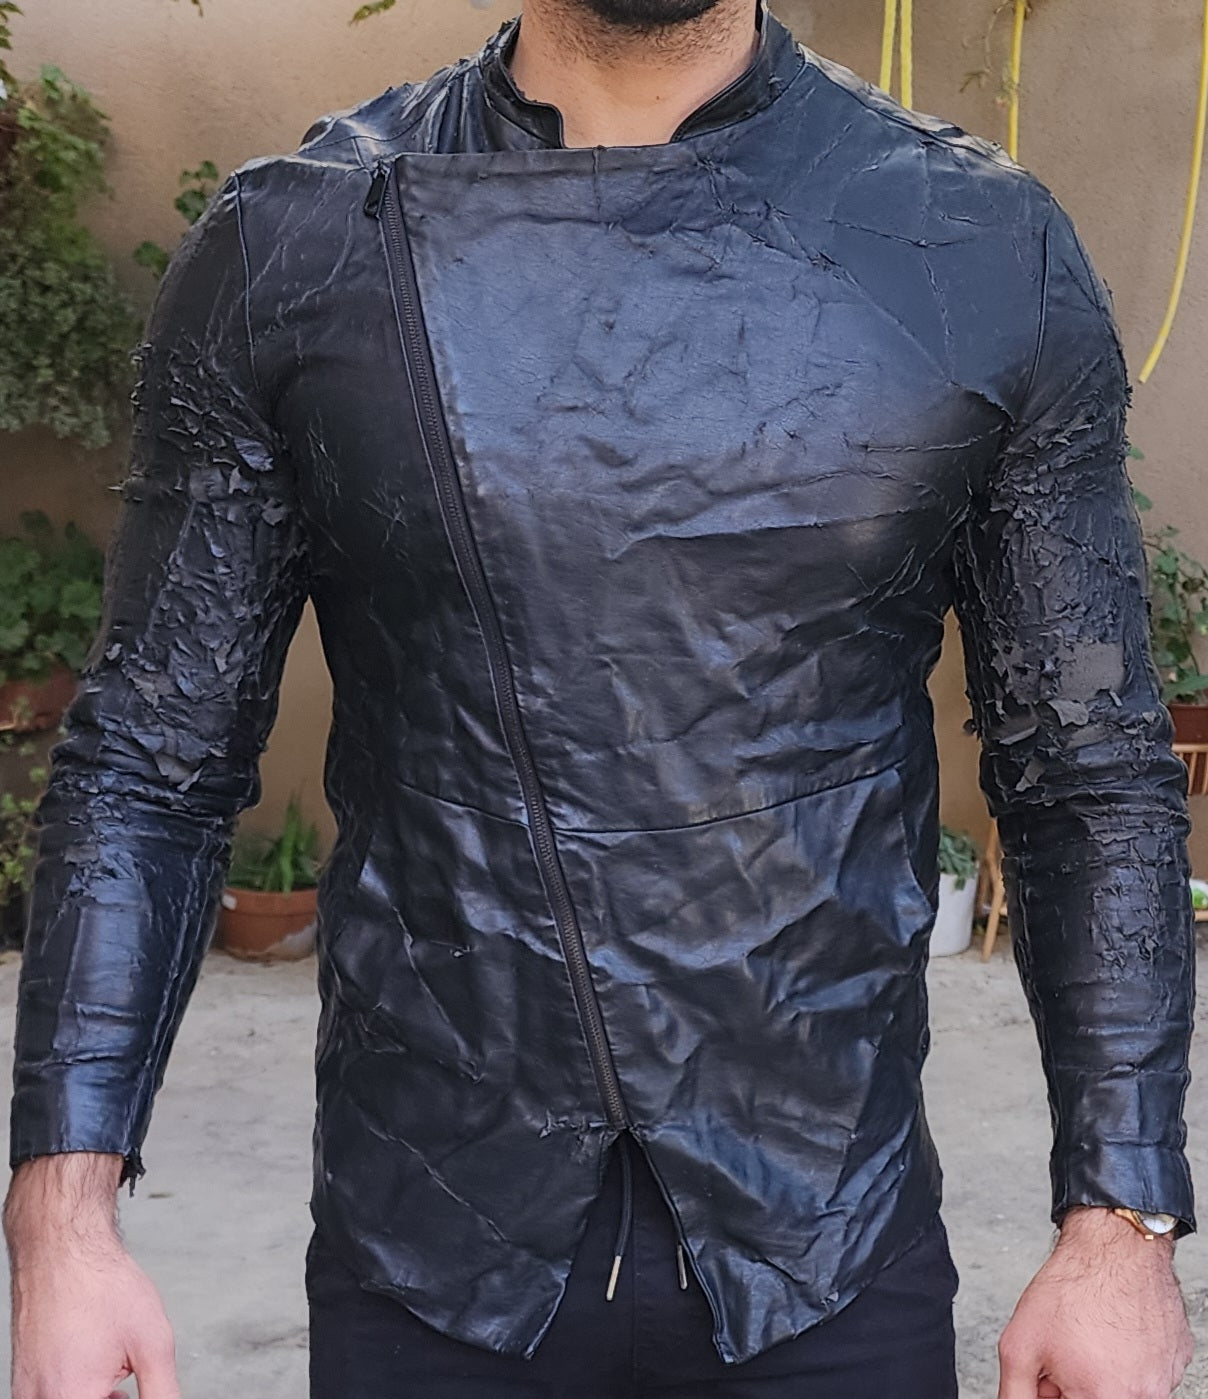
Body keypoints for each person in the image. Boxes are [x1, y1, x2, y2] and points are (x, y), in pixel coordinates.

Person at [4, 1, 1197, 1396]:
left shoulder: (978, 245)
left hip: (828, 1247)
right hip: (433, 1245)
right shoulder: (297, 240)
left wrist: (1122, 1222)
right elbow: (150, 757)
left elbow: (1089, 769)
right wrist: (61, 1219)